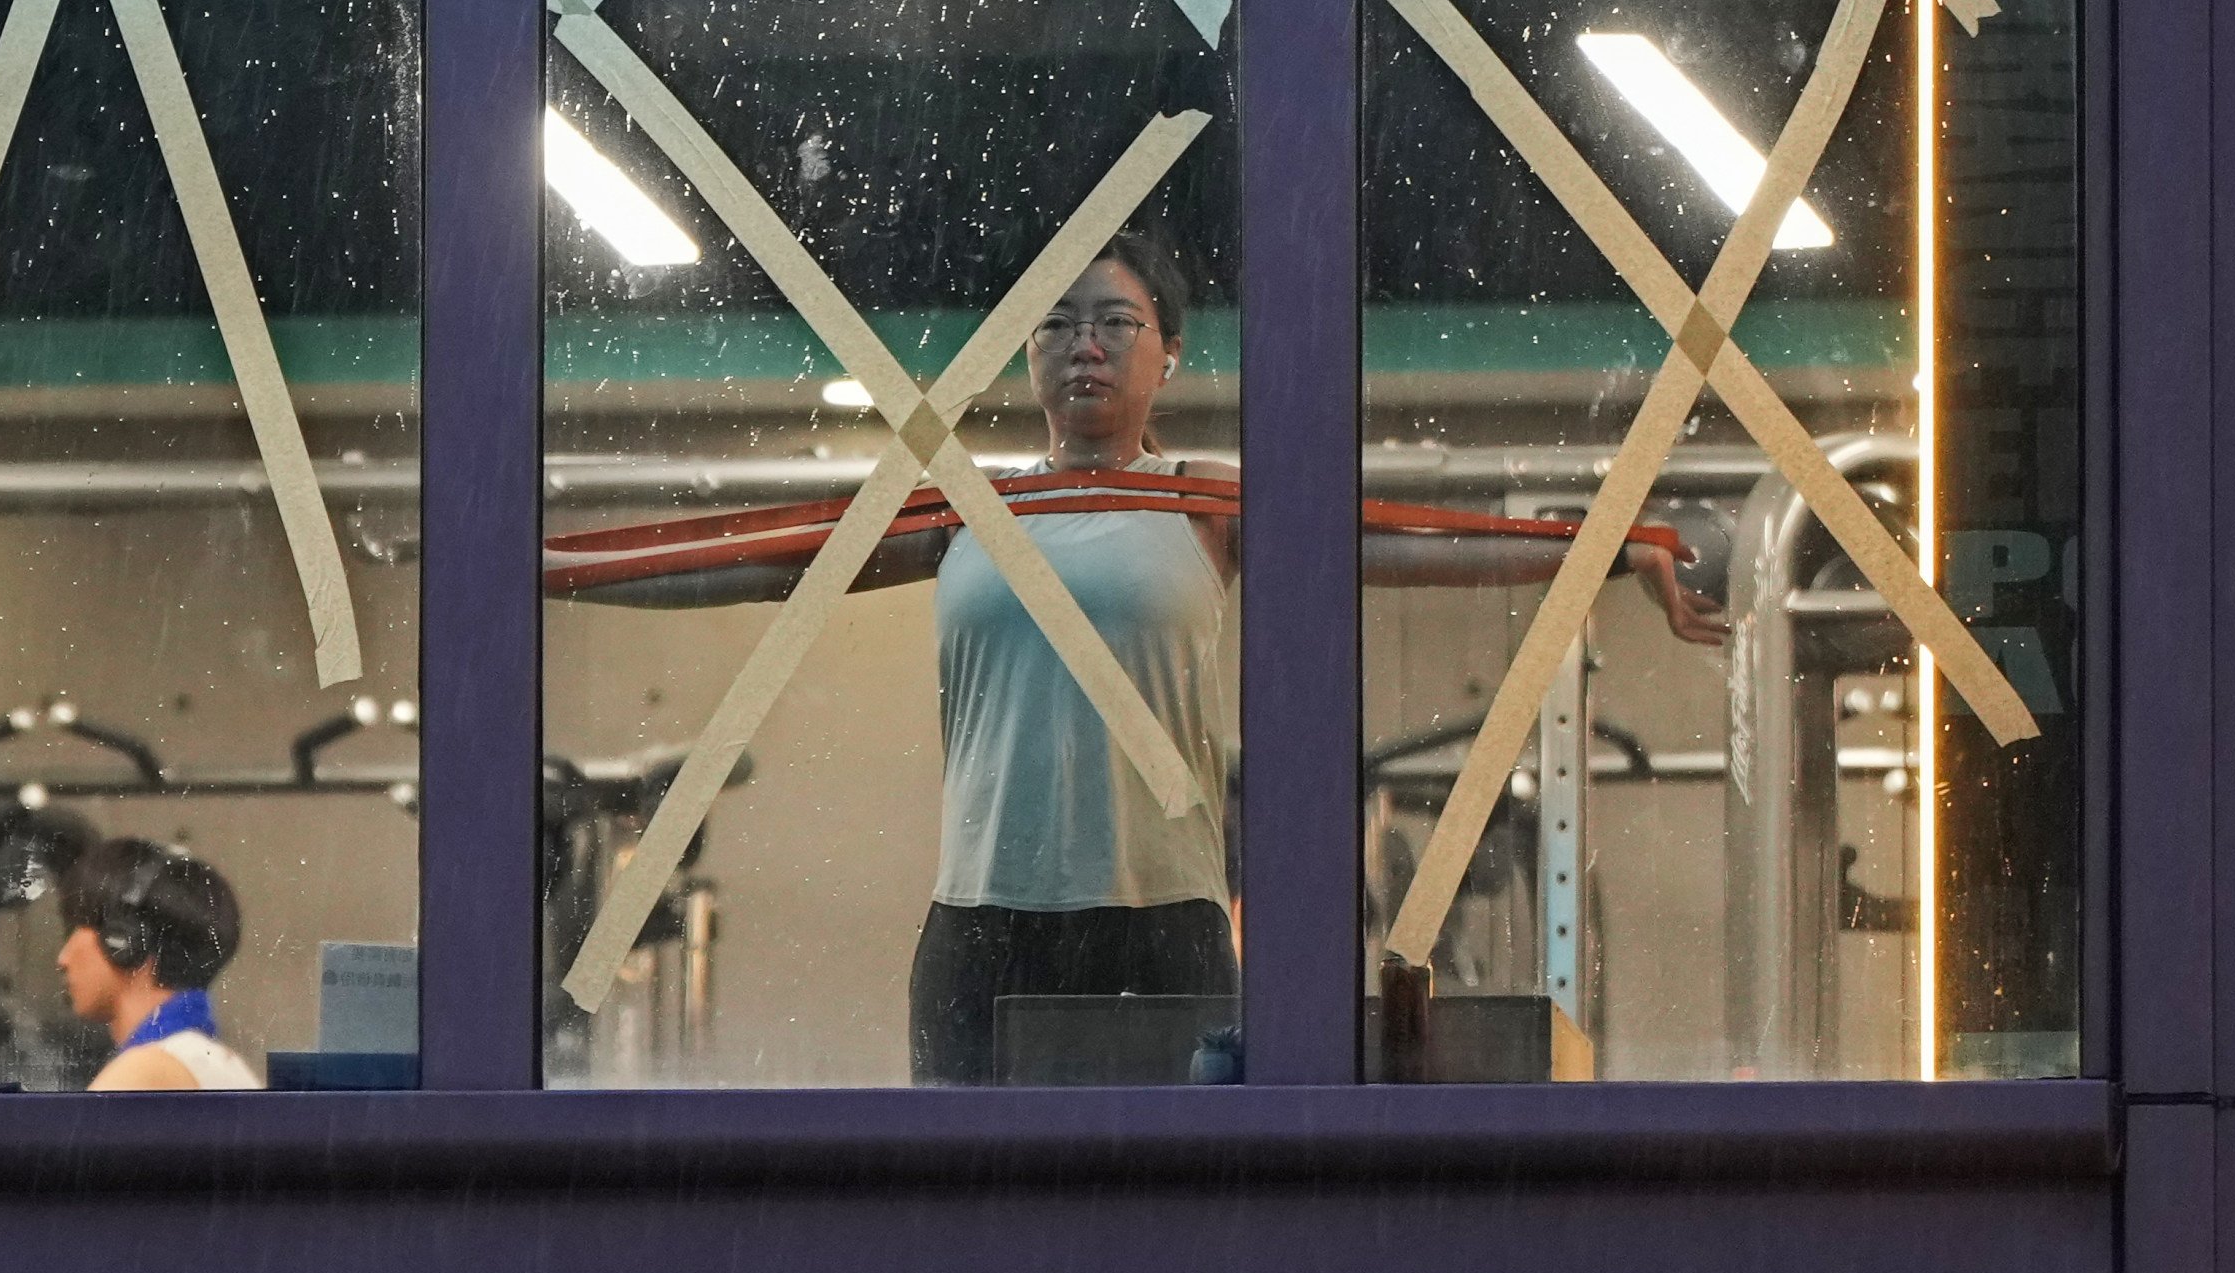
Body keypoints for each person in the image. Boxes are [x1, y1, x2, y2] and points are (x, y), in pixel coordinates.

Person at [552, 228, 1724, 1083]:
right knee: (976, 1238)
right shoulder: (961, 506)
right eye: (1056, 325)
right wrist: (548, 572)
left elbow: (1410, 541)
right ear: (1025, 359)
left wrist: (1620, 548)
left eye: (1115, 323)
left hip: (1155, 924)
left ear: (1167, 351)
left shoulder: (1206, 502)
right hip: (980, 928)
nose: (1084, 348)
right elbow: (764, 560)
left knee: (1168, 1236)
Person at [0, 837, 262, 1090]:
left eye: (76, 928)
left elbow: (48, 1212)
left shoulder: (146, 1071)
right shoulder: (205, 1060)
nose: (62, 959)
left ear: (123, 941)